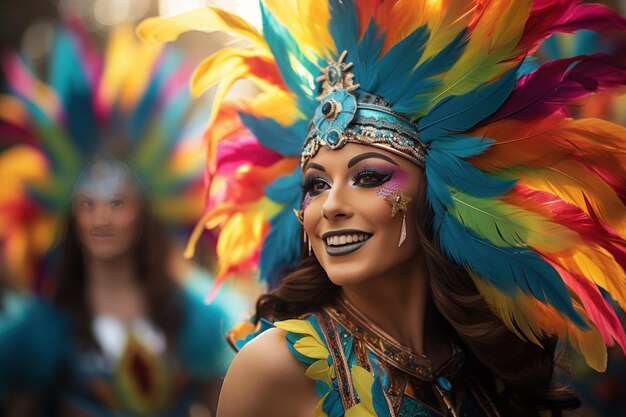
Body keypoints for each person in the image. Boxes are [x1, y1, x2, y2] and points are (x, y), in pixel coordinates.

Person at [138, 0, 626, 416]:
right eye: (315, 184)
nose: (331, 206)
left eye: (368, 177)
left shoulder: (492, 358)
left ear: (435, 194)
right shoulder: (272, 370)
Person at [0, 154, 240, 417]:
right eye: (88, 204)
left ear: (142, 214)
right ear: (73, 218)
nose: (101, 219)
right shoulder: (42, 328)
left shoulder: (196, 316)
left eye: (117, 203)